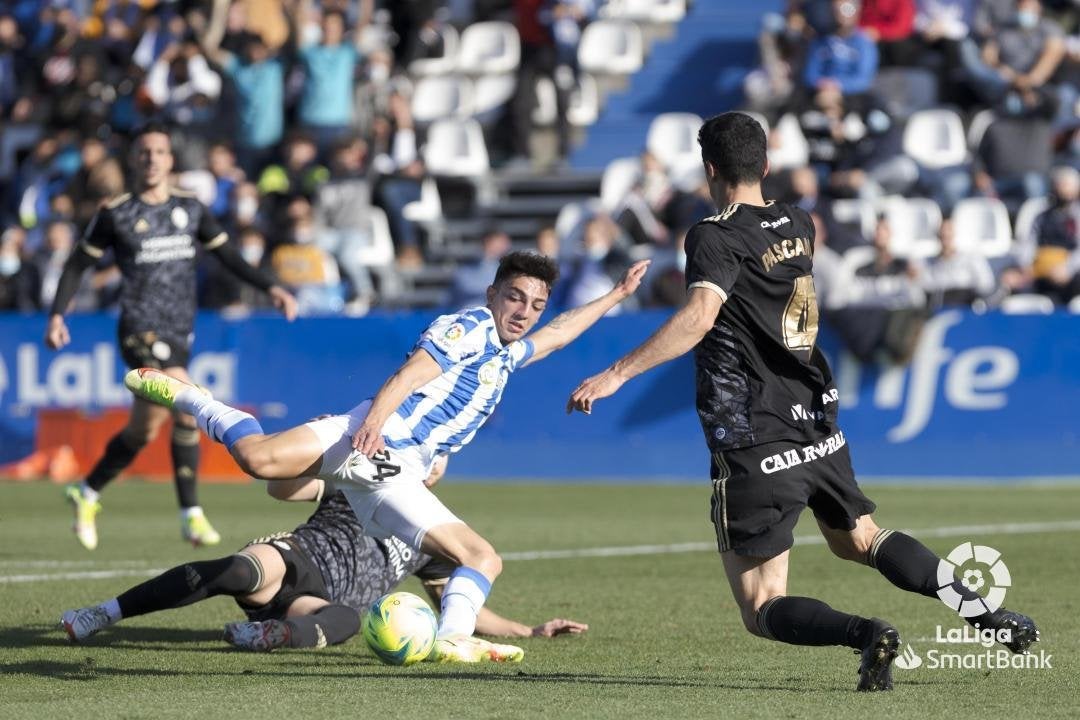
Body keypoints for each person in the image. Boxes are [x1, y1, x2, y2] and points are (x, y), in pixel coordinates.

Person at [565, 112, 1039, 692]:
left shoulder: (713, 234)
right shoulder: (798, 221)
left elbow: (699, 317)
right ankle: (987, 616)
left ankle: (867, 634)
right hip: (817, 420)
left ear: (708, 169)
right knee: (861, 538)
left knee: (762, 605)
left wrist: (617, 372)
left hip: (752, 432)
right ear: (765, 165)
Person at [124, 250, 648, 662]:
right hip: (369, 439)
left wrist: (617, 294)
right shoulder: (469, 327)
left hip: (399, 473)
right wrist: (373, 424)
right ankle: (195, 398)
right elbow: (412, 373)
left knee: (482, 557)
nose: (525, 313)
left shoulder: (506, 354)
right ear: (492, 293)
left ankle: (450, 641)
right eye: (515, 298)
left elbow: (559, 334)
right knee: (259, 462)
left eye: (535, 305)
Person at [44, 123, 299, 552]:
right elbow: (76, 265)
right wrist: (57, 315)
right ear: (134, 159)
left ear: (170, 160)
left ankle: (86, 492)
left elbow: (226, 255)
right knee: (188, 403)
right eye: (144, 152)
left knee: (143, 431)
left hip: (181, 329)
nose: (151, 159)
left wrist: (270, 286)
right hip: (138, 329)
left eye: (159, 152)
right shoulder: (116, 212)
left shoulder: (191, 208)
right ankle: (192, 515)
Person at [60, 463, 588, 656]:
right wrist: (321, 465)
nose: (430, 465)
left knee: (347, 621)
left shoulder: (433, 537)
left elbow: (461, 602)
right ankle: (102, 613)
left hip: (315, 604)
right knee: (237, 571)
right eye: (424, 454)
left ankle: (266, 637)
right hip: (294, 560)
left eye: (436, 460)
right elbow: (279, 488)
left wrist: (527, 631)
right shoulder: (357, 481)